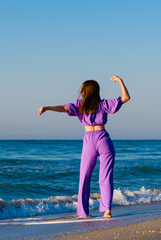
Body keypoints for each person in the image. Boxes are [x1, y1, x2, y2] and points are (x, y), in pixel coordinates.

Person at [38, 76, 130, 218]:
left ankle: (83, 213)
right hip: (104, 139)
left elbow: (63, 108)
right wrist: (120, 81)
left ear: (85, 91)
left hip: (89, 141)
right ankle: (107, 210)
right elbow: (126, 97)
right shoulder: (104, 104)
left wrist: (48, 108)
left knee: (84, 177)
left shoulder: (80, 105)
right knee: (105, 177)